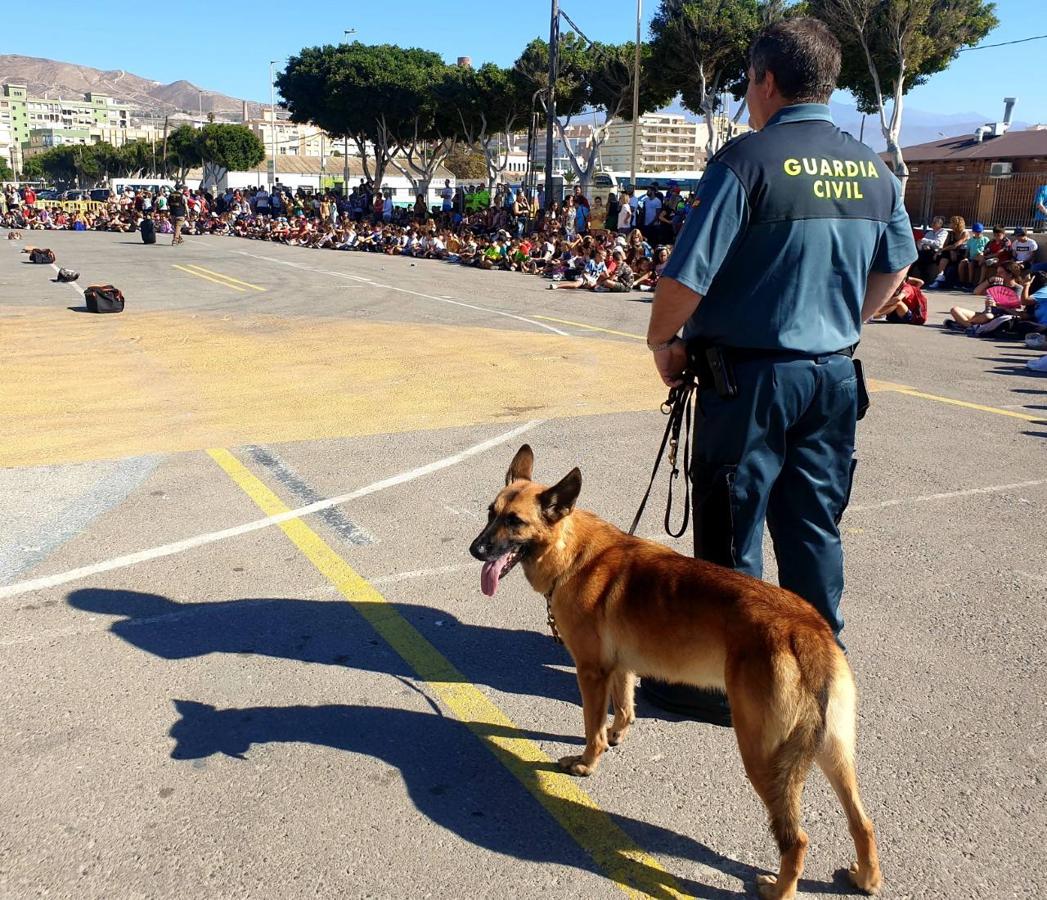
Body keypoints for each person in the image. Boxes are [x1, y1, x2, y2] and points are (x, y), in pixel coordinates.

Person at [643, 17, 916, 723]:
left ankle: (729, 684)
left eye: (748, 85)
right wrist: (844, 323)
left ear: (765, 81)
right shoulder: (874, 168)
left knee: (731, 528)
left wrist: (661, 342)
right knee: (812, 527)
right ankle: (821, 672)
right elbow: (897, 265)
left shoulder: (747, 161)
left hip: (751, 381)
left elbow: (687, 275)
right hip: (830, 376)